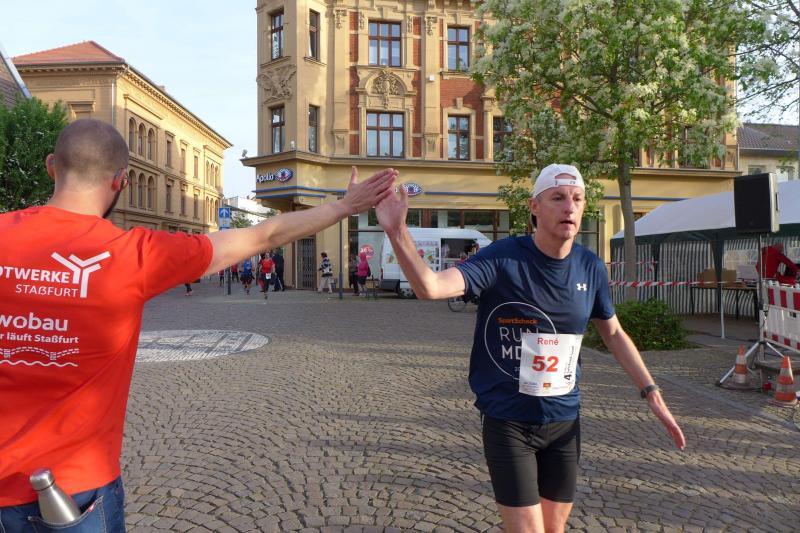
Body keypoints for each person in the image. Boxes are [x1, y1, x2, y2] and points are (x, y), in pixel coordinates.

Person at [0, 119, 397, 532]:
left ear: (51, 166)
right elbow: (264, 236)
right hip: (74, 488)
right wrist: (343, 207)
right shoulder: (133, 253)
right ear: (121, 180)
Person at [375, 163, 685, 533]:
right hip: (509, 421)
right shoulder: (502, 258)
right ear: (534, 207)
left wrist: (651, 391)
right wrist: (397, 232)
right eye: (558, 198)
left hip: (564, 421)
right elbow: (430, 286)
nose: (569, 207)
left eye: (577, 199)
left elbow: (613, 333)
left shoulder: (590, 267)